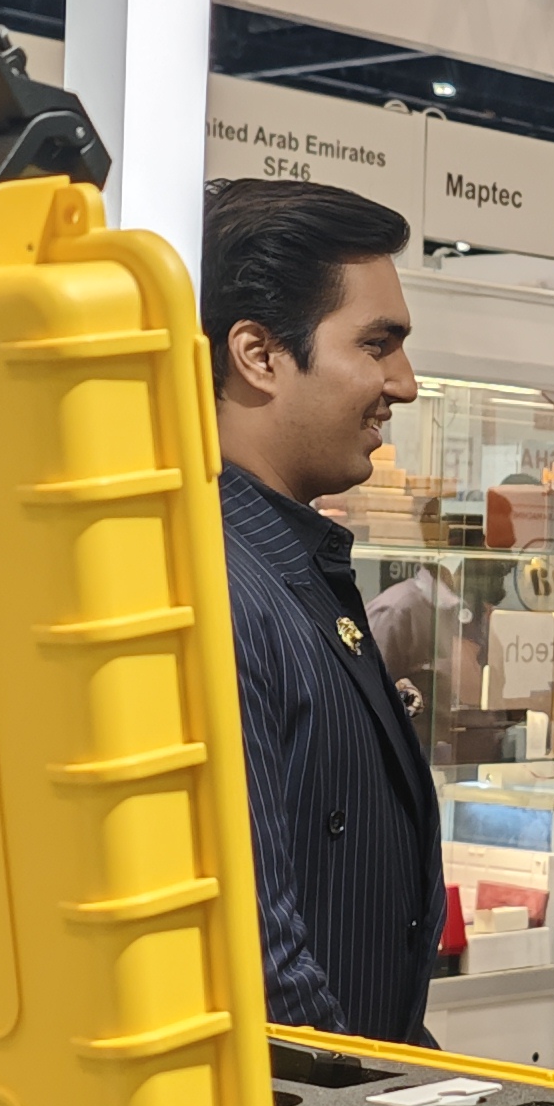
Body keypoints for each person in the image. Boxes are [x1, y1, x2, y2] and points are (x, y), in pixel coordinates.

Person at [204, 179, 442, 1050]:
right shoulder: (221, 587)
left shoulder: (288, 569)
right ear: (260, 355)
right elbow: (263, 971)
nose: (402, 384)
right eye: (377, 344)